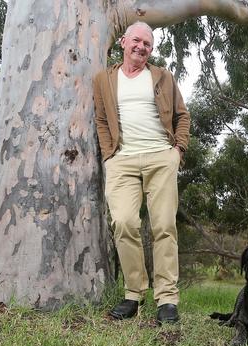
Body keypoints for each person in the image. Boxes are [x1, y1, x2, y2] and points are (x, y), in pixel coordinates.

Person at [92, 21, 190, 324]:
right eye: (137, 41)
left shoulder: (162, 77)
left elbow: (182, 116)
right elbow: (101, 120)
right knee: (123, 222)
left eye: (147, 44)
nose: (141, 47)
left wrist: (177, 153)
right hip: (122, 161)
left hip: (161, 158)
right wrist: (109, 156)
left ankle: (167, 300)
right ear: (123, 42)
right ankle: (133, 294)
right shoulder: (103, 80)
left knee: (163, 227)